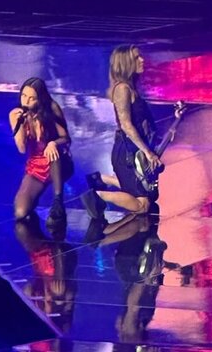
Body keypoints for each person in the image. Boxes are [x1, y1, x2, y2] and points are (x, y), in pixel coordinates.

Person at [82, 44, 160, 224]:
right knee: (143, 205)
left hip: (134, 148)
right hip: (126, 151)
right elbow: (126, 125)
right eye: (137, 58)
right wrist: (148, 152)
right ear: (126, 63)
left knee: (148, 192)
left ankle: (101, 179)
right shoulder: (122, 89)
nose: (142, 60)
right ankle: (97, 196)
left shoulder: (132, 87)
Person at [9, 77, 73, 227]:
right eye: (24, 96)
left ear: (40, 99)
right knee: (20, 212)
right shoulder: (15, 114)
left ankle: (58, 202)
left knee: (52, 151)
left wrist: (53, 143)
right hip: (36, 166)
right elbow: (22, 149)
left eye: (32, 98)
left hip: (57, 161)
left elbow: (66, 138)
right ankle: (33, 199)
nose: (26, 101)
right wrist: (20, 126)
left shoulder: (52, 108)